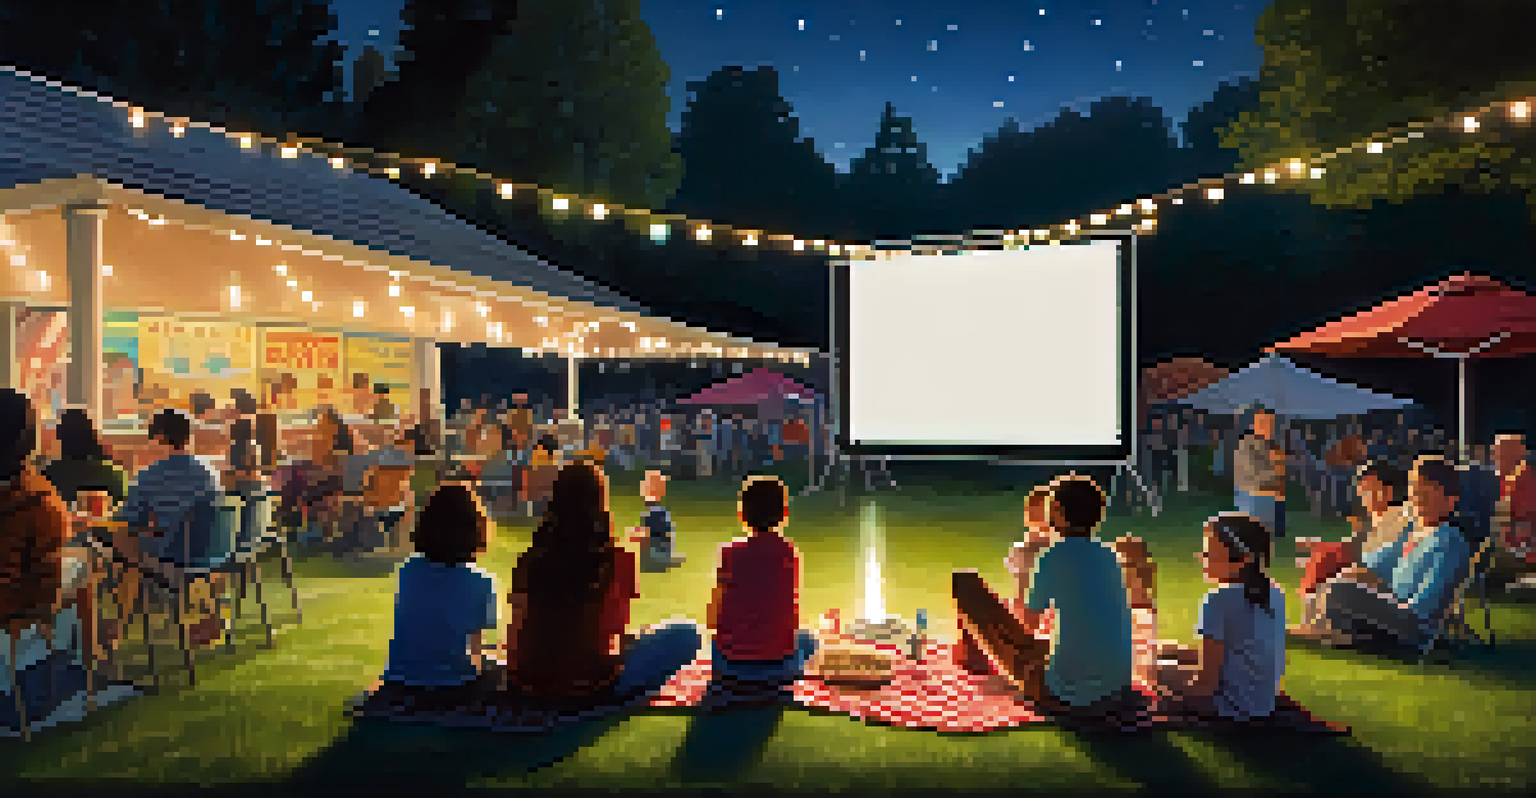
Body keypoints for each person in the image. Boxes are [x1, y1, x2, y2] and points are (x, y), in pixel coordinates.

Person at [505, 462, 700, 703]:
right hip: (590, 686)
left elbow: (515, 630)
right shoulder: (620, 559)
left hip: (526, 682)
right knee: (687, 634)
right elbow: (615, 632)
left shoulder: (530, 559)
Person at [1296, 455, 1472, 648]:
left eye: (1424, 492)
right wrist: (1366, 581)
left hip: (1413, 624)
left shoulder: (1450, 540)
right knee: (1342, 584)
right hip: (1394, 610)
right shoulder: (1415, 533)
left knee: (1342, 590)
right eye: (1414, 489)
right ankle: (1330, 633)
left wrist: (1382, 595)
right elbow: (1384, 574)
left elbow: (1424, 606)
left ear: (1449, 500)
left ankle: (1325, 633)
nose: (1416, 498)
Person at [0, 389, 93, 731]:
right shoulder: (38, 497)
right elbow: (46, 578)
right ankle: (88, 664)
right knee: (84, 567)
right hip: (13, 603)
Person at [1011, 475, 1135, 709]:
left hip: (1072, 686)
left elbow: (1029, 625)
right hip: (1118, 683)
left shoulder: (1052, 556)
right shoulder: (1110, 556)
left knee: (968, 591)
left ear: (1057, 511)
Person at [1153, 512, 1286, 721]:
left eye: (1208, 554)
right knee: (1166, 657)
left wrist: (1162, 696)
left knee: (1155, 670)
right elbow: (1236, 653)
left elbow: (1204, 687)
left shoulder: (1219, 599)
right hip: (1262, 702)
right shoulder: (1275, 592)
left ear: (1242, 559)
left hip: (1231, 707)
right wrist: (1172, 652)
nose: (1201, 558)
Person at [112, 408, 227, 647]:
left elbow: (128, 520)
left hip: (173, 558)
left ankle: (118, 624)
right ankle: (208, 615)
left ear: (160, 438)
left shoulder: (149, 476)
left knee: (122, 540)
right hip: (211, 556)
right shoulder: (210, 472)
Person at [379, 484, 500, 699]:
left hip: (400, 677)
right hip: (453, 684)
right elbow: (474, 650)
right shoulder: (481, 581)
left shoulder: (408, 570)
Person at [706, 475, 817, 685]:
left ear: (742, 514)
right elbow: (791, 613)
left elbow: (712, 617)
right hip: (780, 666)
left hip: (729, 666)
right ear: (784, 514)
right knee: (809, 640)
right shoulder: (789, 553)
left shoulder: (729, 553)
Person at [1293, 461, 1413, 625]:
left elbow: (1382, 561)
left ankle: (1312, 620)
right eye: (1361, 490)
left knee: (1328, 563)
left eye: (1368, 490)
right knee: (1324, 561)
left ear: (1388, 492)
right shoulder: (1381, 521)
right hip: (1371, 579)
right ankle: (1312, 619)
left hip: (1385, 585)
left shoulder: (1400, 519)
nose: (1363, 497)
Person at [42, 407, 131, 514]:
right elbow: (124, 511)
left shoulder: (49, 474)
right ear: (92, 434)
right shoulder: (114, 473)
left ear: (61, 438)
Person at [1489, 433, 1536, 592]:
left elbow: (1525, 528)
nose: (1494, 457)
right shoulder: (1503, 480)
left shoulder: (1525, 481)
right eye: (1494, 452)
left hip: (1521, 551)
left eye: (1499, 452)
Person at [1233, 407, 1288, 540]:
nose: (1268, 427)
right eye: (1264, 423)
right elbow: (1253, 472)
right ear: (1254, 425)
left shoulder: (1270, 445)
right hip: (1251, 493)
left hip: (1267, 493)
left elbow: (1281, 470)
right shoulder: (1246, 444)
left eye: (1270, 424)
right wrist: (1275, 470)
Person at [629, 470, 686, 572]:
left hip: (655, 555)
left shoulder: (655, 512)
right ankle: (665, 559)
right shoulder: (657, 511)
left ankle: (657, 561)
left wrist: (636, 534)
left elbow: (650, 534)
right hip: (659, 553)